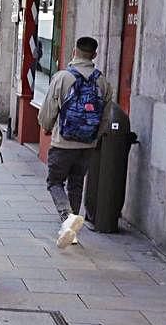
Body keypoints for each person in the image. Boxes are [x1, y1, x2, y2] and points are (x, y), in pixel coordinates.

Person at [38, 35, 111, 249]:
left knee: (54, 182)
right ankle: (72, 229)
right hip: (87, 145)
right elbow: (105, 117)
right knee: (77, 184)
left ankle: (67, 218)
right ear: (94, 55)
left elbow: (48, 111)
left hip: (63, 143)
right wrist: (94, 138)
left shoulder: (63, 77)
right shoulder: (103, 82)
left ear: (74, 52)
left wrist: (47, 126)